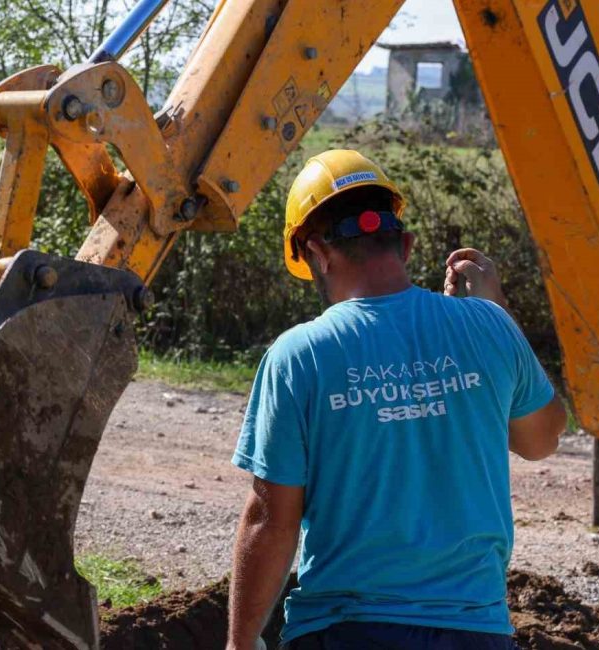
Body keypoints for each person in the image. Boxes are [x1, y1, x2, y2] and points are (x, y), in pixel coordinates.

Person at [225, 150, 567, 650]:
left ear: (317, 253)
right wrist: (497, 314)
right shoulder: (489, 326)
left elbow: (271, 519)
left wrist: (239, 641)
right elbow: (543, 440)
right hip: (477, 632)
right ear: (404, 245)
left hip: (343, 631)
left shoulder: (300, 356)